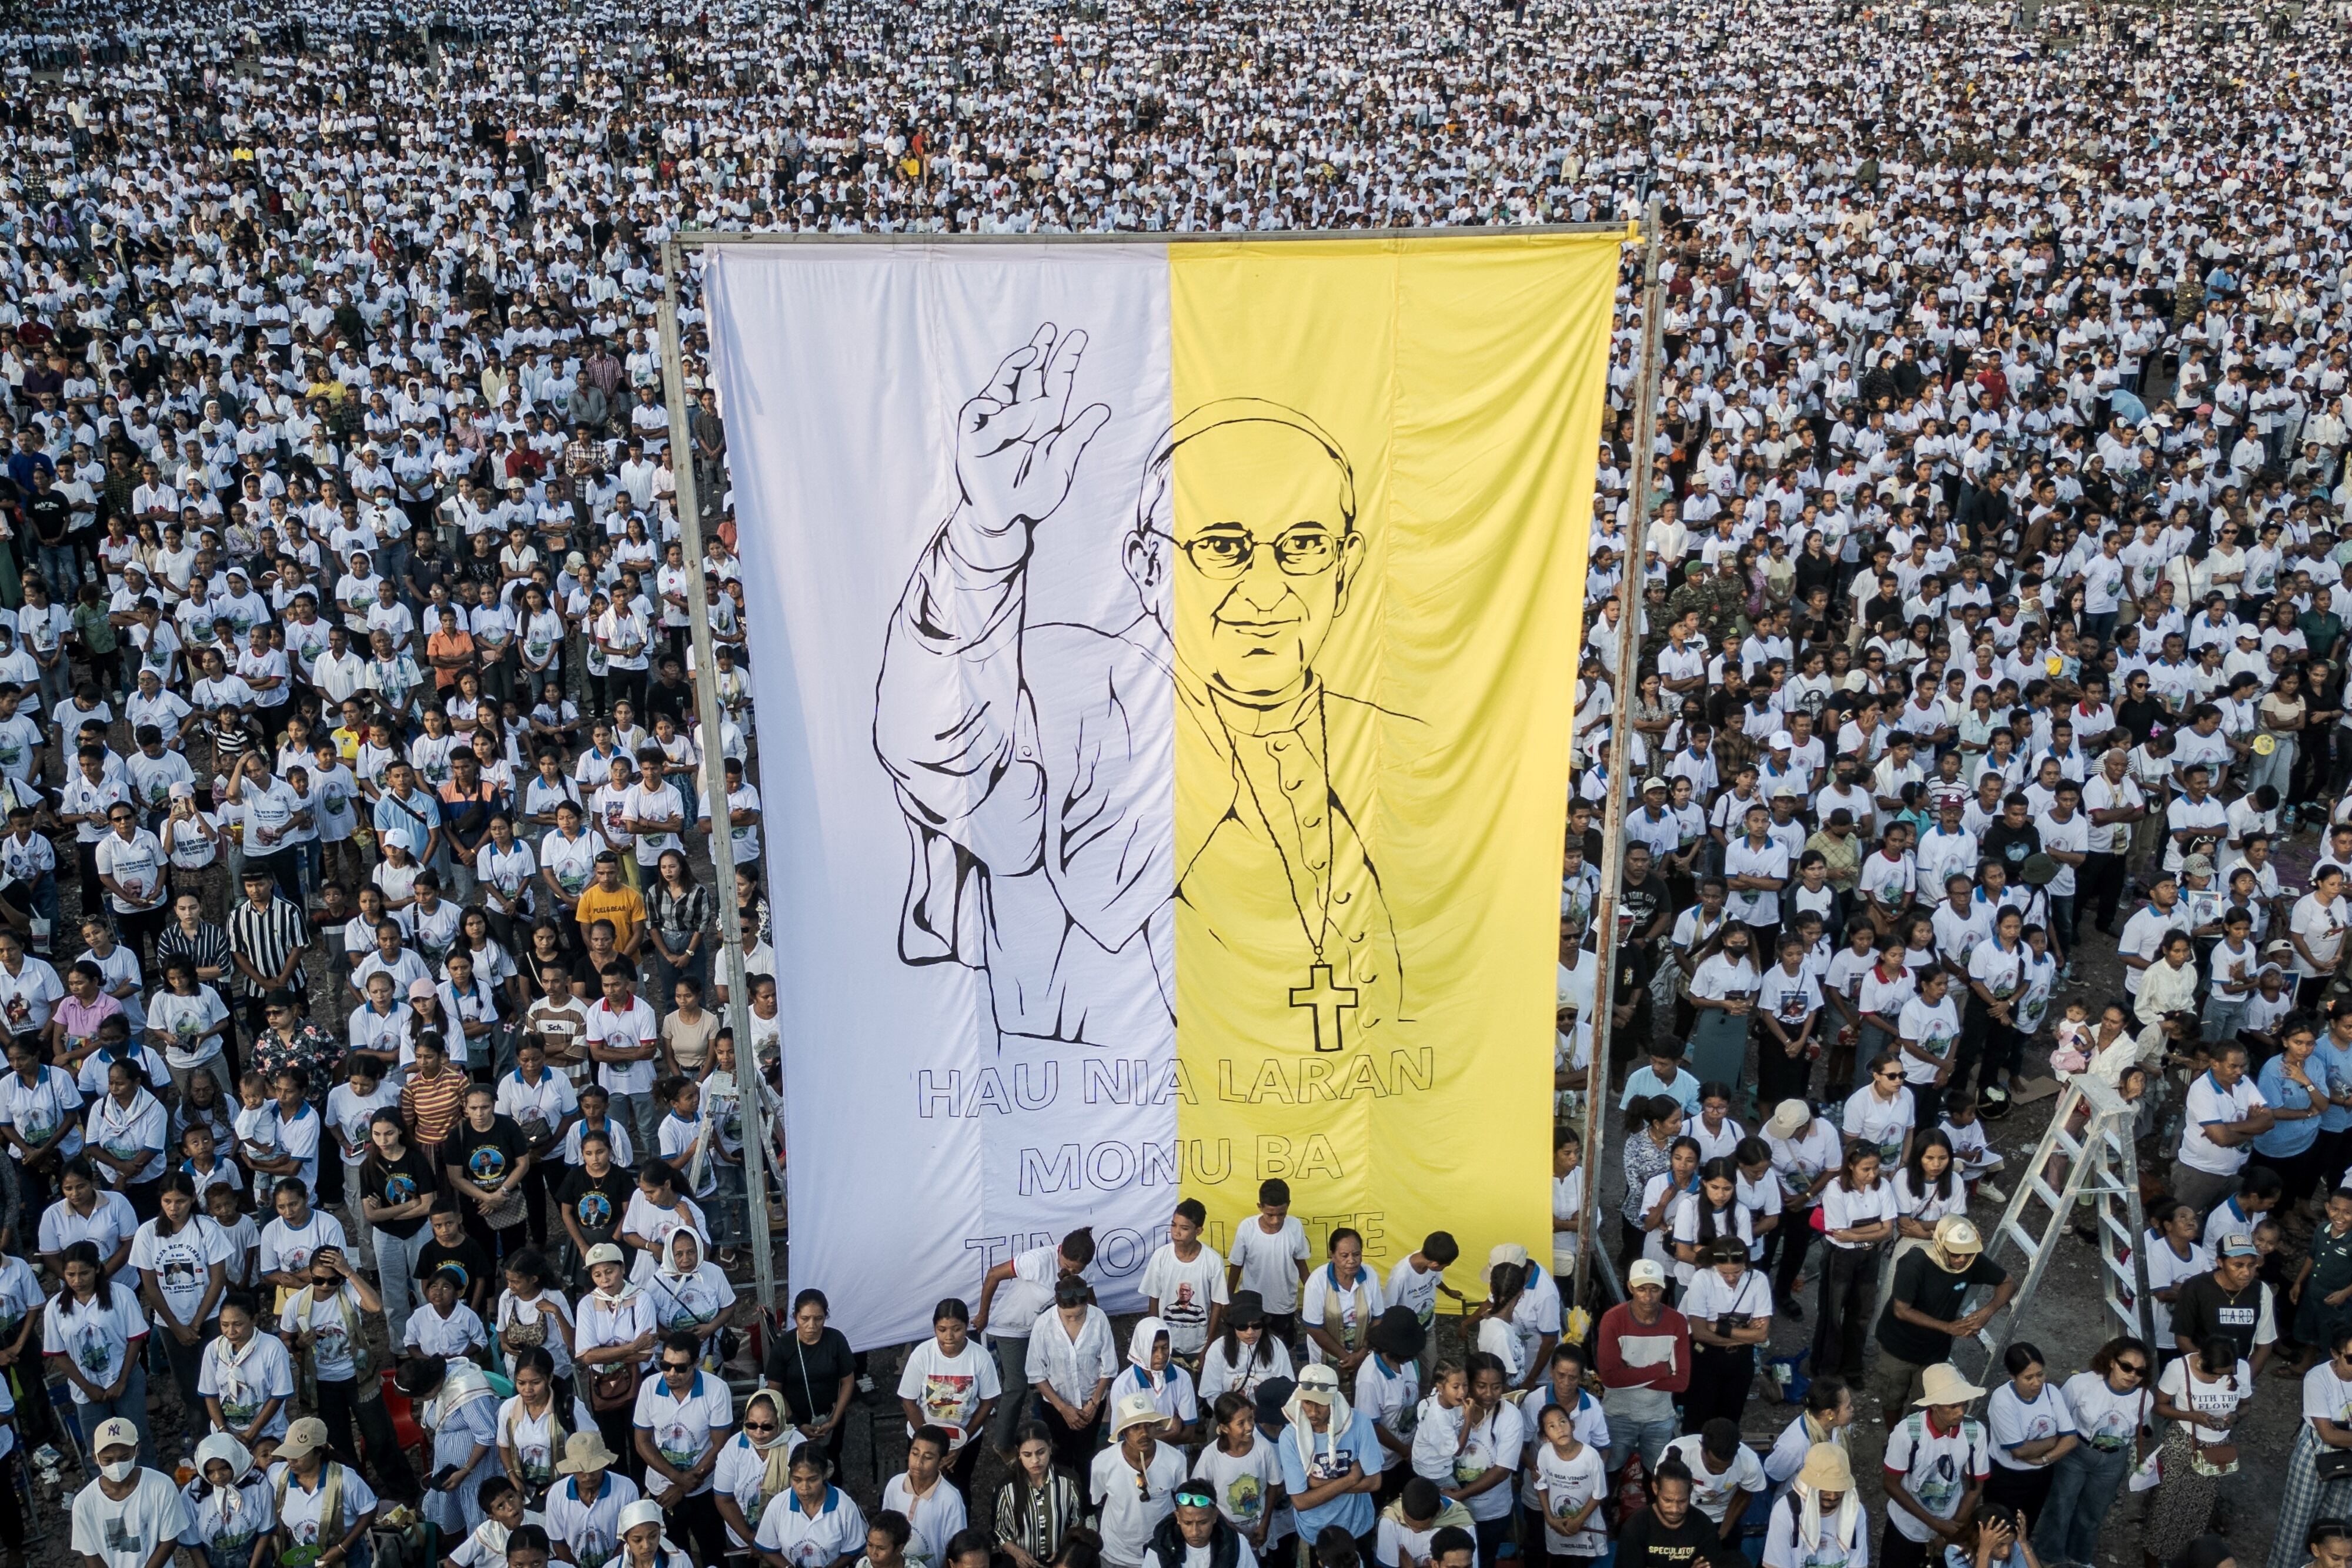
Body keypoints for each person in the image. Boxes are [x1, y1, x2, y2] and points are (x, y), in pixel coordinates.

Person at [1873, 1218, 2017, 1420]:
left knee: (1925, 1403)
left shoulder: (1971, 1261)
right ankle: (1894, 1438)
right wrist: (1948, 1328)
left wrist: (1986, 1312)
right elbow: (1902, 1310)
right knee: (1893, 1398)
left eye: (1967, 1254)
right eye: (1956, 1254)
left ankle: (1916, 1441)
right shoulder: (1915, 1262)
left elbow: (2009, 1282)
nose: (1962, 1260)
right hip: (1898, 1346)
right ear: (1941, 1245)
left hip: (1934, 1351)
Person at [2032, 1337, 2153, 1568]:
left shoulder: (2145, 1397)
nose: (2132, 1375)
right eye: (2126, 1367)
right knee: (2061, 1505)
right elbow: (2060, 1417)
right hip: (2077, 1452)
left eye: (2139, 1372)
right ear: (2111, 1361)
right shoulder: (2081, 1384)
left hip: (2113, 1459)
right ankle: (2048, 1557)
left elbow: (2139, 1426)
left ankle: (2079, 1558)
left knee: (2093, 1513)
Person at [2146, 1338, 2254, 1565]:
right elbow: (2159, 1406)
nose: (2220, 1379)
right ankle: (2154, 1558)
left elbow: (2246, 1404)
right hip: (2183, 1443)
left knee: (2200, 1509)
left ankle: (2187, 1558)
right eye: (2216, 1374)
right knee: (2167, 1506)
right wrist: (2192, 1417)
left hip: (2218, 1448)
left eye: (2225, 1374)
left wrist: (2234, 1417)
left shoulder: (2241, 1368)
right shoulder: (2178, 1368)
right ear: (2202, 1360)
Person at [1881, 1363, 1991, 1568]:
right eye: (1953, 1406)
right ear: (1934, 1406)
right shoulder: (1907, 1433)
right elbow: (1891, 1484)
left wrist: (1953, 1529)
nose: (1961, 1412)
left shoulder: (1975, 1433)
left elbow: (1976, 1488)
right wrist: (1938, 1525)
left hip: (1951, 1524)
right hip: (1906, 1528)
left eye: (1963, 1404)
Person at [1593, 1258, 1689, 1480]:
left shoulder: (1676, 1322)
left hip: (1659, 1417)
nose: (1648, 1297)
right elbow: (1610, 1379)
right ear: (1630, 1288)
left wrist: (1628, 1373)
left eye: (1654, 1289)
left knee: (1655, 1475)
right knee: (1610, 1473)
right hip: (1618, 1415)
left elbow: (1682, 1382)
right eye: (1642, 1289)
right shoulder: (1613, 1320)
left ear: (1663, 1289)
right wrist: (1660, 1369)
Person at [1272, 1367, 1380, 1562]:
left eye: (1321, 1404)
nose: (1313, 1412)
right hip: (1316, 1533)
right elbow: (1301, 1502)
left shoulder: (1360, 1423)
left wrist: (1317, 1485)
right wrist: (1352, 1479)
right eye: (1307, 1403)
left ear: (1334, 1399)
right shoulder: (1289, 1437)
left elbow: (1374, 1483)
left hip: (1356, 1527)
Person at [2272, 1324, 2352, 1568]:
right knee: (2297, 1524)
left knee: (2336, 1527)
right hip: (2317, 1452)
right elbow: (2327, 1434)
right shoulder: (2318, 1377)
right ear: (2335, 1354)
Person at [1980, 1343, 2074, 1535]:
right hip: (2007, 1479)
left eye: (2040, 1375)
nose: (2037, 1383)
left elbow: (2071, 1440)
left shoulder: (2051, 1392)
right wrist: (2054, 1440)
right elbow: (2019, 1451)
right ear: (2013, 1377)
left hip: (2041, 1476)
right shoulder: (2003, 1400)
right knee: (1999, 1530)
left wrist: (2043, 1459)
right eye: (2028, 1378)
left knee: (2025, 1529)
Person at [69, 1416, 189, 1568]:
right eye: (108, 1460)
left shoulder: (161, 1486)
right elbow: (91, 1556)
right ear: (95, 1458)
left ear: (137, 1450)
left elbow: (169, 1542)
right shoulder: (84, 1503)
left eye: (124, 1458)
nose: (117, 1465)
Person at [269, 1415, 381, 1568]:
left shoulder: (345, 1479)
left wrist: (343, 1548)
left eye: (299, 1455)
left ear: (319, 1452)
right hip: (303, 1554)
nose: (291, 1460)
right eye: (289, 1453)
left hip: (346, 1554)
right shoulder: (278, 1476)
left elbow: (370, 1509)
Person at [763, 1289, 857, 1469]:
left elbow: (848, 1382)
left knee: (831, 1462)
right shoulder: (784, 1347)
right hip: (795, 1421)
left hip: (831, 1417)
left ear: (825, 1317)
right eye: (805, 1319)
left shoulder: (836, 1340)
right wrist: (797, 1423)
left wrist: (834, 1421)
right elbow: (775, 1390)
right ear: (795, 1317)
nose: (811, 1325)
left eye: (818, 1319)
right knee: (799, 1464)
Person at [993, 1421, 1088, 1568]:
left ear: (1050, 1448)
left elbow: (1076, 1521)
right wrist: (1017, 1553)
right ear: (1018, 1454)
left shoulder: (1069, 1482)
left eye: (1040, 1452)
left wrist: (1063, 1550)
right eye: (1027, 1455)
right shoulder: (1006, 1488)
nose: (1035, 1461)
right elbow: (998, 1530)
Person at [1760, 1443, 1867, 1568]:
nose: (1832, 1497)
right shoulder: (1786, 1510)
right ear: (1811, 1486)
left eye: (1839, 1489)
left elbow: (1858, 1565)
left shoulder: (1855, 1511)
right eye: (1825, 1489)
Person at [1141, 1482, 1256, 1568]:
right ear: (1178, 1518)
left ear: (1215, 1516)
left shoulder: (1236, 1544)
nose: (1195, 1532)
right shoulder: (1159, 1549)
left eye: (1203, 1523)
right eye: (1187, 1523)